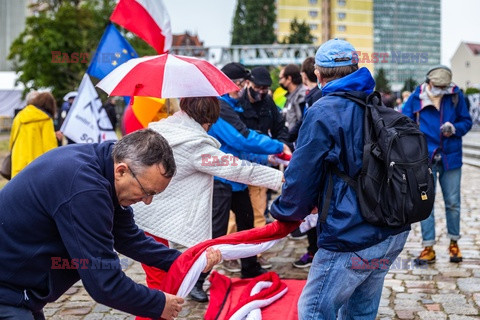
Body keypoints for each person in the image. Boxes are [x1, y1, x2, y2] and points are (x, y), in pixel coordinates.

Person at [0, 129, 221, 319]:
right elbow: (103, 282)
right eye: (146, 192)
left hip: (19, 286)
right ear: (122, 170)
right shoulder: (85, 189)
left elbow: (128, 238)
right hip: (8, 289)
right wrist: (158, 303)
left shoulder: (106, 165)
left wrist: (187, 262)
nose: (147, 201)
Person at [270, 39, 410, 319]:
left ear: (318, 75)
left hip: (351, 233)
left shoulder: (323, 111)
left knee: (312, 310)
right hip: (391, 231)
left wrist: (284, 212)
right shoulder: (375, 103)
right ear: (356, 70)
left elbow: (301, 177)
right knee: (360, 311)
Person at [131, 97, 283, 304]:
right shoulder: (194, 144)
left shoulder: (163, 128)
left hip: (143, 215)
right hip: (154, 221)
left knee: (159, 282)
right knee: (162, 291)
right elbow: (236, 169)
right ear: (208, 120)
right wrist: (279, 178)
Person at [206, 62, 290, 283]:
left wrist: (267, 156)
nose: (242, 89)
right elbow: (241, 138)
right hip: (221, 177)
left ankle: (250, 267)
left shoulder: (232, 107)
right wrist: (277, 147)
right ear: (228, 84)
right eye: (240, 84)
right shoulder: (219, 107)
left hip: (236, 177)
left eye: (243, 84)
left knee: (247, 222)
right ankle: (197, 279)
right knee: (216, 231)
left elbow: (242, 144)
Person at [403, 65, 472, 264]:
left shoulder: (456, 95)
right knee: (426, 204)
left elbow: (466, 121)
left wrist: (455, 127)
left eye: (445, 86)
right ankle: (428, 246)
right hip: (425, 157)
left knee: (453, 203)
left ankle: (454, 243)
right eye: (438, 86)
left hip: (451, 156)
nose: (441, 89)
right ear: (429, 82)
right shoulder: (416, 97)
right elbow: (404, 121)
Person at [234, 66, 290, 269]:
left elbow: (279, 128)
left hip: (260, 165)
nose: (262, 91)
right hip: (239, 166)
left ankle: (254, 255)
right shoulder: (236, 102)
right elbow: (240, 138)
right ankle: (231, 254)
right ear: (249, 84)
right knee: (234, 219)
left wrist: (281, 147)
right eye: (258, 87)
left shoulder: (268, 103)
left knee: (258, 212)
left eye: (266, 88)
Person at [291, 56, 324, 268]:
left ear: (305, 75)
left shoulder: (316, 97)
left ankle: (315, 252)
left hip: (313, 159)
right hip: (311, 157)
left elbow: (307, 128)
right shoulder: (313, 95)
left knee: (314, 208)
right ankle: (314, 250)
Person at [9, 92, 59, 178]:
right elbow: (50, 148)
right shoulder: (46, 119)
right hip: (37, 168)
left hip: (18, 164)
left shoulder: (19, 116)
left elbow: (12, 141)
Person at [278, 63, 307, 132]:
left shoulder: (301, 95)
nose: (279, 81)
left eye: (281, 78)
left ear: (289, 79)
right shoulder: (290, 96)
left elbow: (301, 121)